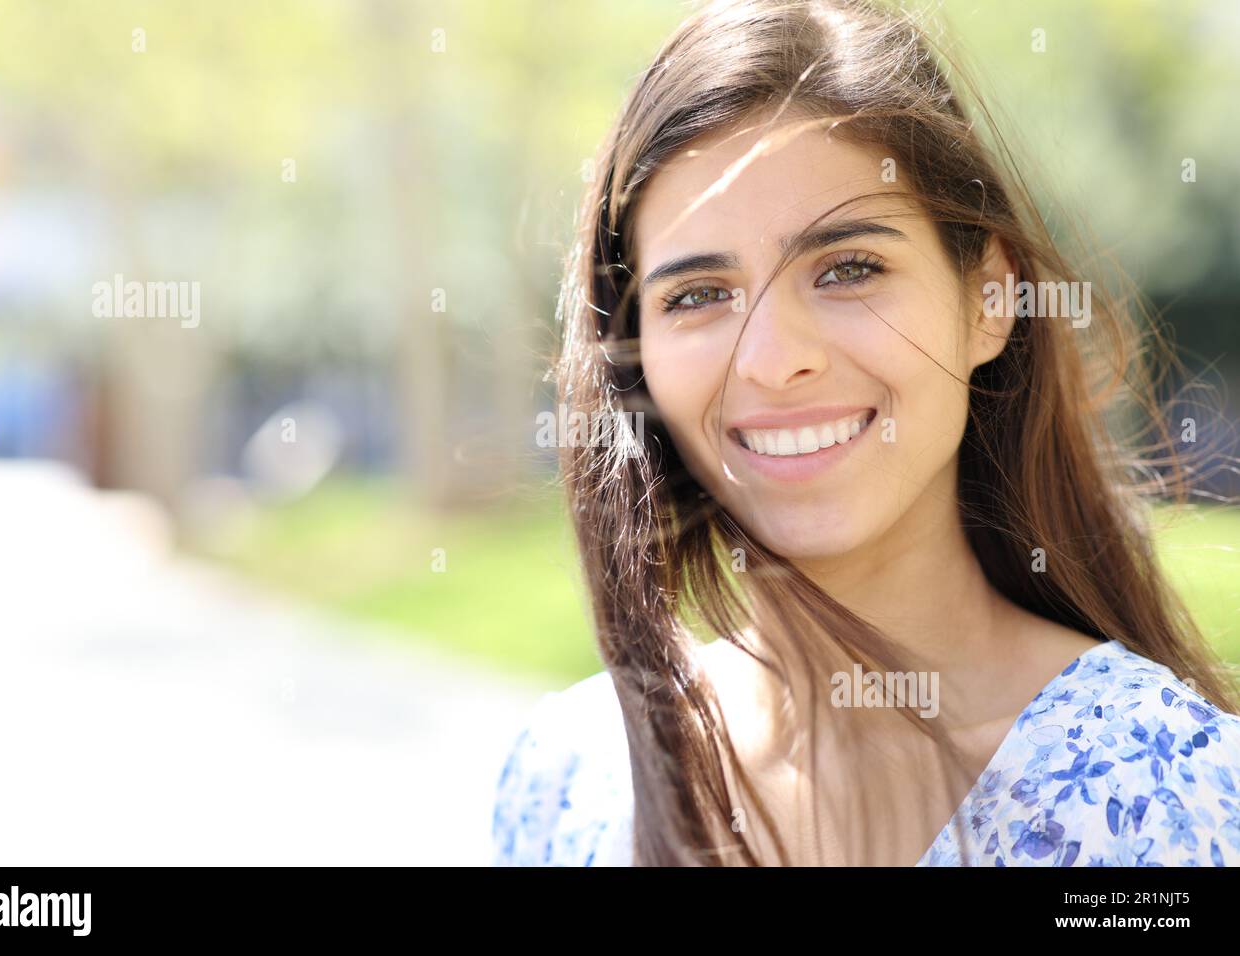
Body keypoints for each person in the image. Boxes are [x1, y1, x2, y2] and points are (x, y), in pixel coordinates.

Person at [491, 0, 1240, 866]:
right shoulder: (568, 782)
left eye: (849, 269)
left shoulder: (1156, 801)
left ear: (990, 300)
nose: (773, 361)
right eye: (698, 295)